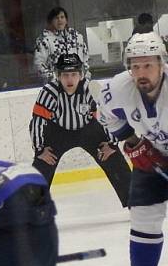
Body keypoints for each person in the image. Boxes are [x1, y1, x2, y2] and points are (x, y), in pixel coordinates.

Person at [97, 31, 168, 266]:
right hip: (152, 154)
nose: (141, 72)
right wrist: (132, 142)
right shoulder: (119, 88)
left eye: (148, 65)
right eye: (135, 65)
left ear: (162, 64)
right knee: (143, 215)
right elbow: (106, 114)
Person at [30, 52, 130, 206]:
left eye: (73, 74)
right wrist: (40, 149)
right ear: (58, 75)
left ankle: (135, 203)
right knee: (42, 166)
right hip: (57, 132)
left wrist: (111, 144)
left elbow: (109, 116)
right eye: (65, 75)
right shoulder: (48, 92)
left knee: (113, 157)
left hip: (89, 130)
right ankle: (31, 211)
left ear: (81, 74)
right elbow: (37, 121)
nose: (70, 79)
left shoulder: (91, 89)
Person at [33, 6, 89, 84]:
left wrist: (82, 76)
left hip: (78, 84)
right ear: (51, 21)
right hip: (56, 86)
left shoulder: (77, 37)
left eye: (62, 17)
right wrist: (55, 79)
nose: (60, 20)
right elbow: (38, 65)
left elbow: (86, 59)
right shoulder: (44, 40)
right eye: (56, 18)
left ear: (66, 20)